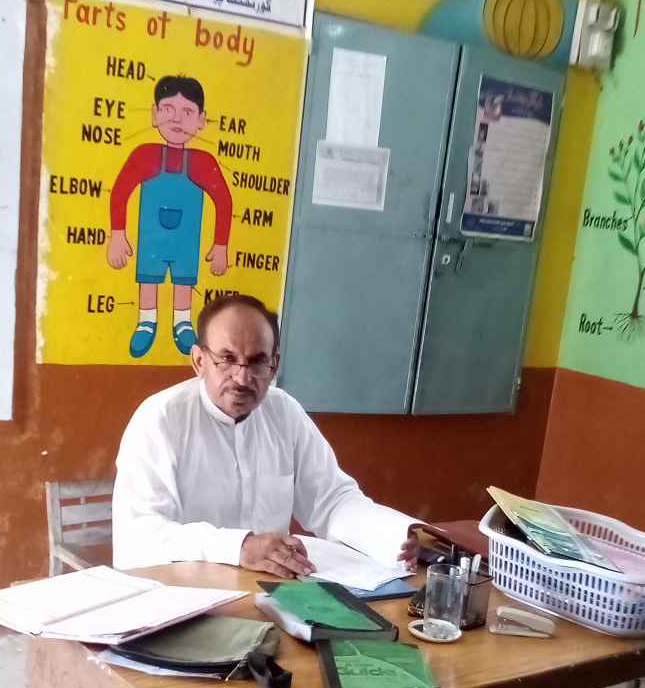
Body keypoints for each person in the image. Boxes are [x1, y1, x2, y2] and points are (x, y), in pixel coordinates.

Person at [112, 293, 419, 574]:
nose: (242, 378)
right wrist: (239, 546)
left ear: (274, 364)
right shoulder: (160, 419)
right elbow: (140, 535)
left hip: (274, 591)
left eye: (257, 361)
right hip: (186, 596)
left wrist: (396, 534)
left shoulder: (284, 412)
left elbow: (331, 499)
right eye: (227, 358)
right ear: (199, 361)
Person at [106, 75, 232, 360]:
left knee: (183, 279)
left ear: (201, 120)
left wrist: (221, 245)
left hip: (186, 240)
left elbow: (224, 201)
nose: (177, 118)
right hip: (152, 238)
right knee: (149, 277)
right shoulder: (144, 155)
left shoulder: (204, 162)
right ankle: (146, 321)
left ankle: (182, 322)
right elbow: (121, 191)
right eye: (167, 109)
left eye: (187, 112)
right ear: (155, 115)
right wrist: (118, 234)